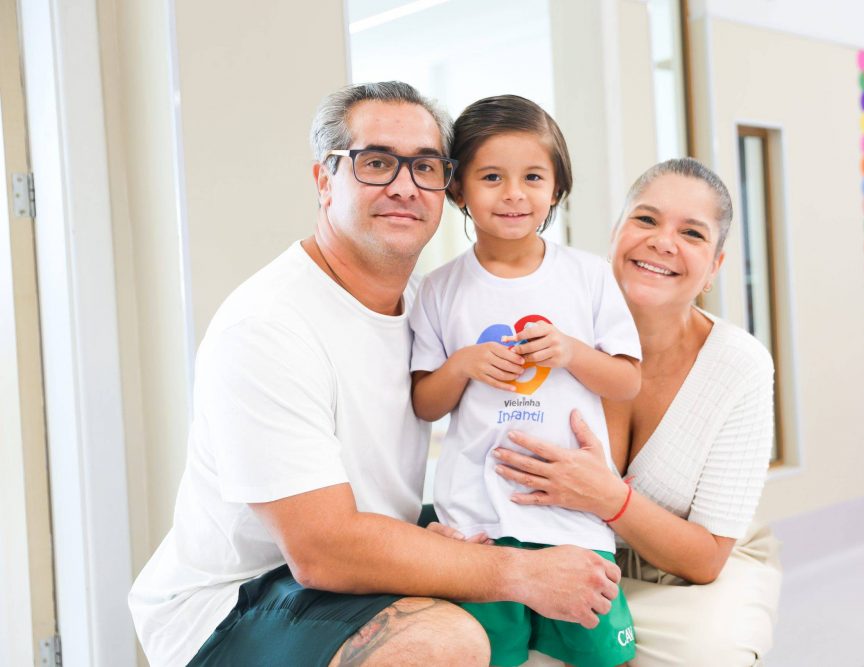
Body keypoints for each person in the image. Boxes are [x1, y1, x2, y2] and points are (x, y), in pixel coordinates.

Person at [128, 82, 623, 667]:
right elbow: (323, 550)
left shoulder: (428, 303)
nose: (404, 186)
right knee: (446, 640)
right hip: (234, 602)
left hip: (342, 575)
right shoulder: (267, 327)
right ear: (324, 180)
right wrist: (522, 572)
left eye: (425, 166)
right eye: (377, 162)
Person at [493, 158, 782, 667]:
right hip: (561, 561)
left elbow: (706, 558)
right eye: (646, 219)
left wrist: (608, 497)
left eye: (692, 233)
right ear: (615, 235)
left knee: (709, 653)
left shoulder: (740, 365)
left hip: (686, 579)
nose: (662, 242)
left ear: (714, 267)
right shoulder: (552, 337)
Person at [408, 95, 642, 667]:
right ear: (458, 189)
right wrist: (462, 365)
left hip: (571, 518)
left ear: (557, 188)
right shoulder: (437, 288)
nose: (514, 193)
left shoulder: (588, 276)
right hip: (476, 522)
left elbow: (626, 382)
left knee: (602, 657)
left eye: (533, 177)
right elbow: (425, 404)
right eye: (492, 177)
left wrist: (571, 352)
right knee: (490, 655)